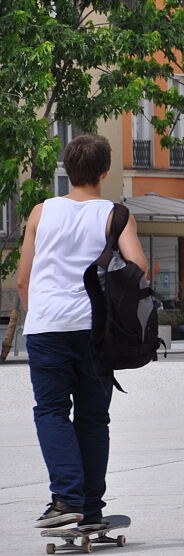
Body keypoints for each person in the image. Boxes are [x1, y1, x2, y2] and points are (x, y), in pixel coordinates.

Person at [17, 134, 150, 527]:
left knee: (52, 412)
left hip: (45, 328)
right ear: (104, 173)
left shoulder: (41, 212)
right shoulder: (115, 214)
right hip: (96, 331)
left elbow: (23, 280)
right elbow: (139, 269)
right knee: (93, 419)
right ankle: (90, 509)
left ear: (67, 169)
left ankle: (66, 499)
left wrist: (39, 316)